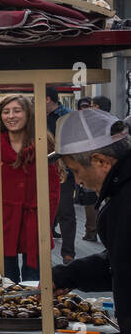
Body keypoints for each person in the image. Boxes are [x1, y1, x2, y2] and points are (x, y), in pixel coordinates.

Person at [50, 109, 131, 334]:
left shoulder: (125, 198)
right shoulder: (119, 192)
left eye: (75, 170)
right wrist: (68, 275)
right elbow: (121, 261)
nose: (78, 181)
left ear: (101, 161)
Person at [0, 94, 60, 283]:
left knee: (34, 281)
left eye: (16, 111)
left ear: (28, 114)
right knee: (6, 281)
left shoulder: (43, 143)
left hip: (35, 222)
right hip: (1, 221)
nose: (11, 116)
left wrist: (47, 222)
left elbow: (53, 189)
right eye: (6, 112)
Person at [44, 87, 76, 264]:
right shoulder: (36, 117)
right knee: (44, 211)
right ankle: (43, 249)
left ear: (47, 99)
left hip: (65, 171)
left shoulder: (68, 117)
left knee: (65, 211)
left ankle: (68, 254)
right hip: (41, 171)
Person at [74, 99, 100, 241]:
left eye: (89, 106)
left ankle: (92, 230)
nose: (86, 109)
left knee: (93, 200)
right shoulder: (75, 124)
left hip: (95, 165)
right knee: (90, 200)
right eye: (84, 107)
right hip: (85, 165)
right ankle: (91, 231)